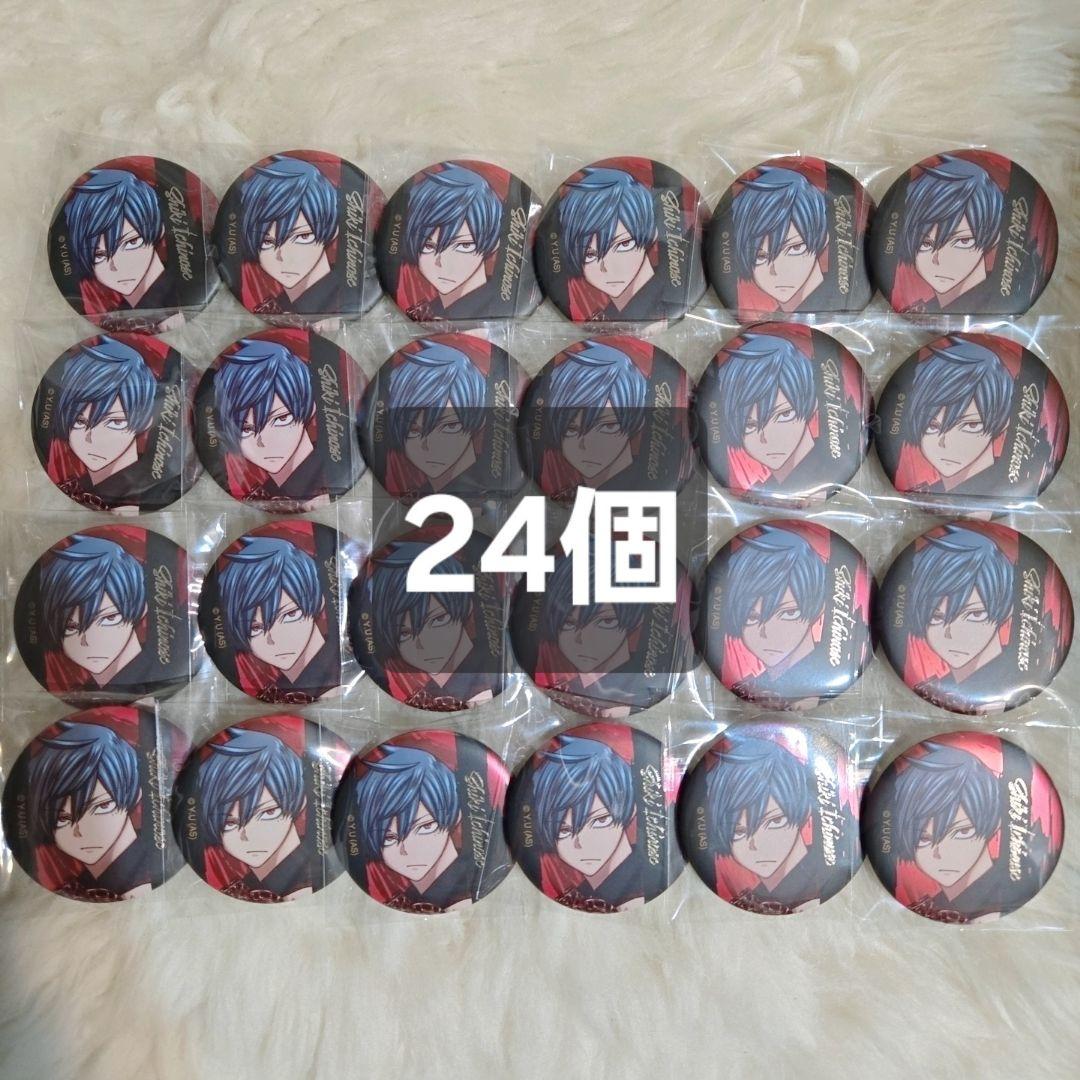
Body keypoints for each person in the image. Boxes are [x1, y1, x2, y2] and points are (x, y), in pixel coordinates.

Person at [706, 735, 849, 914]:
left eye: (775, 821)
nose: (756, 845)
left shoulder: (823, 881)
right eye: (739, 831)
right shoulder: (755, 897)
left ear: (805, 811)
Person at [362, 540, 495, 711]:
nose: (423, 645)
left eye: (438, 620)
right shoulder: (427, 693)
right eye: (405, 633)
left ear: (467, 605)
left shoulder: (487, 680)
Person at [27, 720, 151, 901]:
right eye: (62, 818)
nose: (82, 832)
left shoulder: (145, 880)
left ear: (135, 793)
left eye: (102, 806)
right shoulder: (79, 886)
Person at [352, 744, 473, 912]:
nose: (407, 851)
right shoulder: (407, 898)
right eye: (389, 837)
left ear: (456, 814)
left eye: (425, 827)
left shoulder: (469, 890)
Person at [196, 727, 311, 902]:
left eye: (268, 812)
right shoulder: (247, 886)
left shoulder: (307, 883)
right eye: (229, 823)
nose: (248, 836)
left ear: (301, 799)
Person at [218, 535, 338, 702]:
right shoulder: (280, 688)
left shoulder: (337, 677)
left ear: (319, 601)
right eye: (255, 628)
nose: (274, 640)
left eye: (290, 614)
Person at [891, 742, 1002, 921]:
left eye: (963, 832)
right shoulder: (938, 905)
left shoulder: (996, 905)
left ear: (995, 822)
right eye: (923, 839)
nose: (941, 854)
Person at [532, 733, 642, 912]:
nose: (581, 844)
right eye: (564, 830)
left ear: (631, 809)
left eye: (600, 820)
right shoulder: (582, 895)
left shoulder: (642, 888)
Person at [721, 525, 827, 704]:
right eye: (752, 617)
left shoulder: (819, 681)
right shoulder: (754, 686)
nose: (767, 634)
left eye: (789, 613)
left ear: (819, 607)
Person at [51, 336, 158, 512]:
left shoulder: (151, 493)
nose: (92, 439)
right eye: (79, 421)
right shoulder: (73, 487)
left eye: (115, 422)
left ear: (146, 420)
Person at [908, 525, 1013, 701]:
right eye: (936, 617)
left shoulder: (1006, 683)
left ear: (1007, 609)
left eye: (975, 615)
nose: (951, 634)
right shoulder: (939, 687)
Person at [214, 337, 322, 504]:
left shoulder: (330, 477)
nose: (263, 442)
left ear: (311, 406)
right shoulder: (265, 493)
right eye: (246, 429)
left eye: (281, 419)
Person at [900, 336, 1013, 493]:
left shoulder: (1010, 486)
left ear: (1004, 421)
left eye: (971, 425)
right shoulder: (928, 492)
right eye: (932, 426)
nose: (945, 443)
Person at [710, 333, 818, 493]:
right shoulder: (764, 488)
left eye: (784, 415)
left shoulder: (827, 471)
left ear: (813, 403)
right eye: (749, 425)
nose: (766, 439)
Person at [40, 534, 148, 693]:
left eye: (110, 618)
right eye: (71, 626)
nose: (88, 641)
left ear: (142, 608)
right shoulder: (76, 687)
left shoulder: (157, 676)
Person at [897, 155, 1003, 312]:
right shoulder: (923, 311)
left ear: (994, 237)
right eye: (925, 243)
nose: (939, 260)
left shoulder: (999, 303)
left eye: (963, 241)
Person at [541, 340, 647, 497]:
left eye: (608, 426)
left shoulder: (650, 483)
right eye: (571, 429)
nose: (586, 445)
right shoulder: (561, 484)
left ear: (637, 420)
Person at [383, 338, 487, 496]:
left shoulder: (495, 485)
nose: (429, 446)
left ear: (478, 419)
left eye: (450, 426)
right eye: (413, 430)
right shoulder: (416, 491)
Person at [401, 163, 503, 320]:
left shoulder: (498, 308)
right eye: (428, 246)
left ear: (494, 242)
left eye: (464, 245)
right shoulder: (431, 311)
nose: (442, 263)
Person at [241, 155, 340, 315]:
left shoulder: (345, 299)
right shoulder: (279, 307)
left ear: (333, 229)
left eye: (303, 236)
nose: (283, 256)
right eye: (267, 241)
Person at [559, 166, 661, 318]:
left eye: (623, 244)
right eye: (589, 255)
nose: (606, 268)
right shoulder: (607, 316)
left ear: (652, 234)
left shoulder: (668, 299)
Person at [64, 167, 170, 310]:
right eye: (99, 255)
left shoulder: (179, 298)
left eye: (132, 242)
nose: (116, 267)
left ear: (159, 230)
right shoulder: (120, 313)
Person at [732, 166, 828, 312]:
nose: (776, 271)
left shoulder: (841, 302)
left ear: (824, 237)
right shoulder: (767, 317)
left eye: (795, 248)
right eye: (760, 256)